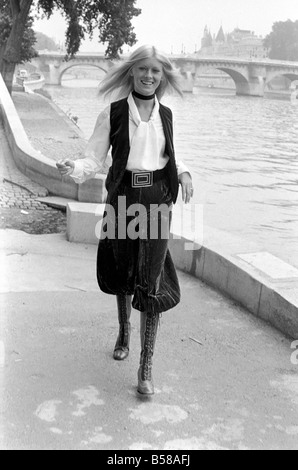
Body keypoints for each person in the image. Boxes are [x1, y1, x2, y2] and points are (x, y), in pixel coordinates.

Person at [57, 45, 194, 396]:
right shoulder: (114, 113)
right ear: (131, 72)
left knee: (151, 280)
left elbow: (174, 156)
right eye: (143, 69)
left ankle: (146, 367)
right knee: (122, 270)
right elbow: (94, 157)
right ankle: (123, 331)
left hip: (157, 201)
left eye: (156, 72)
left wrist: (185, 174)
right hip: (122, 198)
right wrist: (74, 166)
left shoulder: (168, 114)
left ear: (163, 78)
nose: (149, 76)